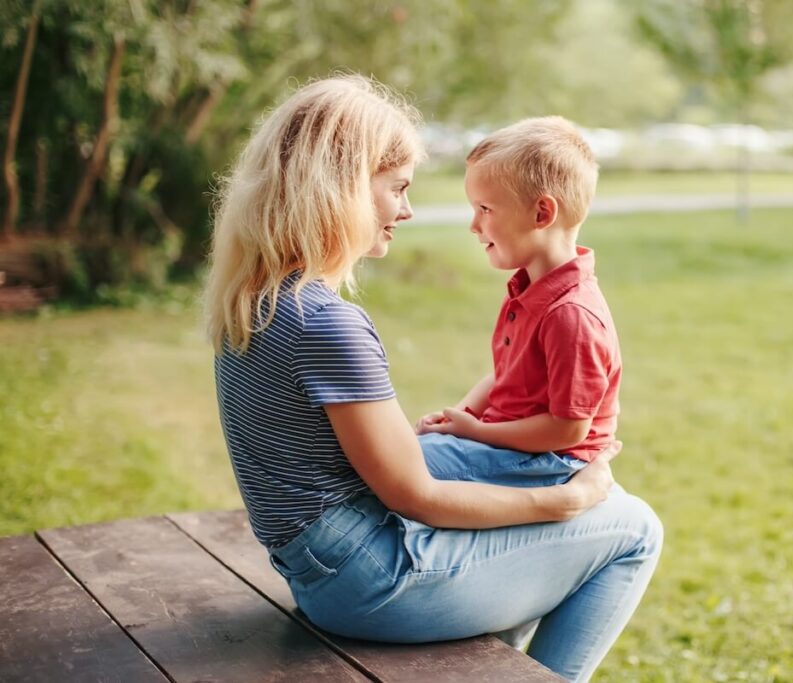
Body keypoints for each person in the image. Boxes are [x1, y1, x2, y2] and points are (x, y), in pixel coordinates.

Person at [203, 75, 662, 682]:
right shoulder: (327, 324)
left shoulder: (255, 300)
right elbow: (414, 496)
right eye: (396, 188)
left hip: (320, 570)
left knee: (486, 491)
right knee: (635, 528)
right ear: (340, 188)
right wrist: (562, 500)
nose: (408, 209)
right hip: (369, 583)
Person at [415, 117, 621, 492]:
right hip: (514, 445)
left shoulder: (571, 314)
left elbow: (569, 428)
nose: (474, 225)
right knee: (406, 454)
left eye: (485, 209)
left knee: (402, 465)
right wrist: (461, 415)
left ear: (542, 214)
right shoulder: (532, 290)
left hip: (553, 461)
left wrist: (479, 433)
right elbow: (507, 374)